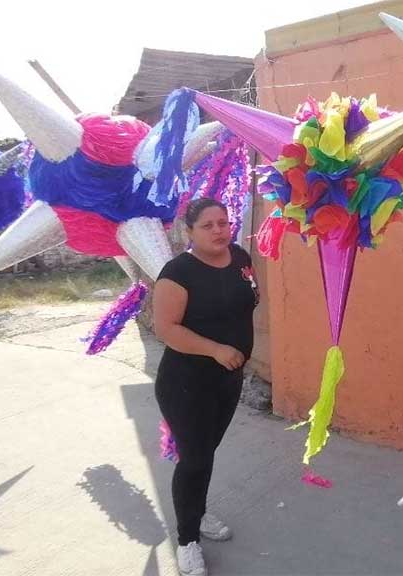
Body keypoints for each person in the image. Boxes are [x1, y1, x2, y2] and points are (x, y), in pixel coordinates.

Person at [153, 198, 259, 576]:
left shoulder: (240, 257)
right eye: (208, 225)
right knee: (195, 459)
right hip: (186, 383)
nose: (219, 230)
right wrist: (215, 349)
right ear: (190, 231)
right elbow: (165, 328)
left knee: (203, 455)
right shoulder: (178, 272)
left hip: (228, 380)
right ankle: (187, 541)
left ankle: (195, 513)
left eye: (223, 223)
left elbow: (244, 301)